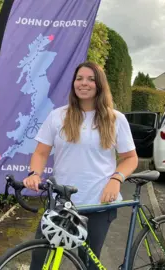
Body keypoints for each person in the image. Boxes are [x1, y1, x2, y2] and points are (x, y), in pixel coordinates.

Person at [23, 61, 138, 269]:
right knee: (39, 261)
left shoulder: (115, 119)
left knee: (88, 265)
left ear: (100, 84)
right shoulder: (58, 116)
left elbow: (130, 158)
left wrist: (116, 179)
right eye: (79, 79)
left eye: (91, 79)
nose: (84, 83)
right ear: (73, 83)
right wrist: (34, 174)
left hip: (97, 204)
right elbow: (40, 152)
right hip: (61, 204)